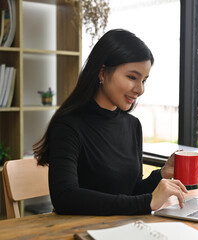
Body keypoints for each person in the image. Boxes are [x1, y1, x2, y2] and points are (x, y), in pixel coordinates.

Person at [33, 29, 187, 215]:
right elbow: (65, 197)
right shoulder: (68, 126)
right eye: (132, 77)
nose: (140, 89)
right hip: (81, 232)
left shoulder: (132, 125)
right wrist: (147, 202)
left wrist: (161, 175)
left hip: (123, 228)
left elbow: (130, 192)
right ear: (102, 72)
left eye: (144, 80)